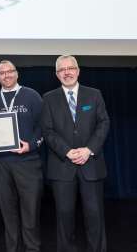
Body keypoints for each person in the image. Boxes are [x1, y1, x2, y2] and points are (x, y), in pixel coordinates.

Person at [41, 55, 110, 252]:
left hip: (92, 164)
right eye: (62, 69)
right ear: (56, 74)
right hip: (62, 166)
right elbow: (47, 130)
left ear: (78, 71)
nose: (67, 72)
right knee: (64, 215)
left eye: (70, 68)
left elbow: (104, 123)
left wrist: (89, 150)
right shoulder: (48, 98)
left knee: (95, 214)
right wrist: (68, 151)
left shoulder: (94, 95)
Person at [0, 60, 43, 252]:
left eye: (9, 72)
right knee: (7, 213)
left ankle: (32, 248)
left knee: (30, 212)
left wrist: (31, 146)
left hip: (28, 162)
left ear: (17, 74)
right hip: (0, 165)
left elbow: (44, 127)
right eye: (1, 73)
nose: (6, 75)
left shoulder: (31, 95)